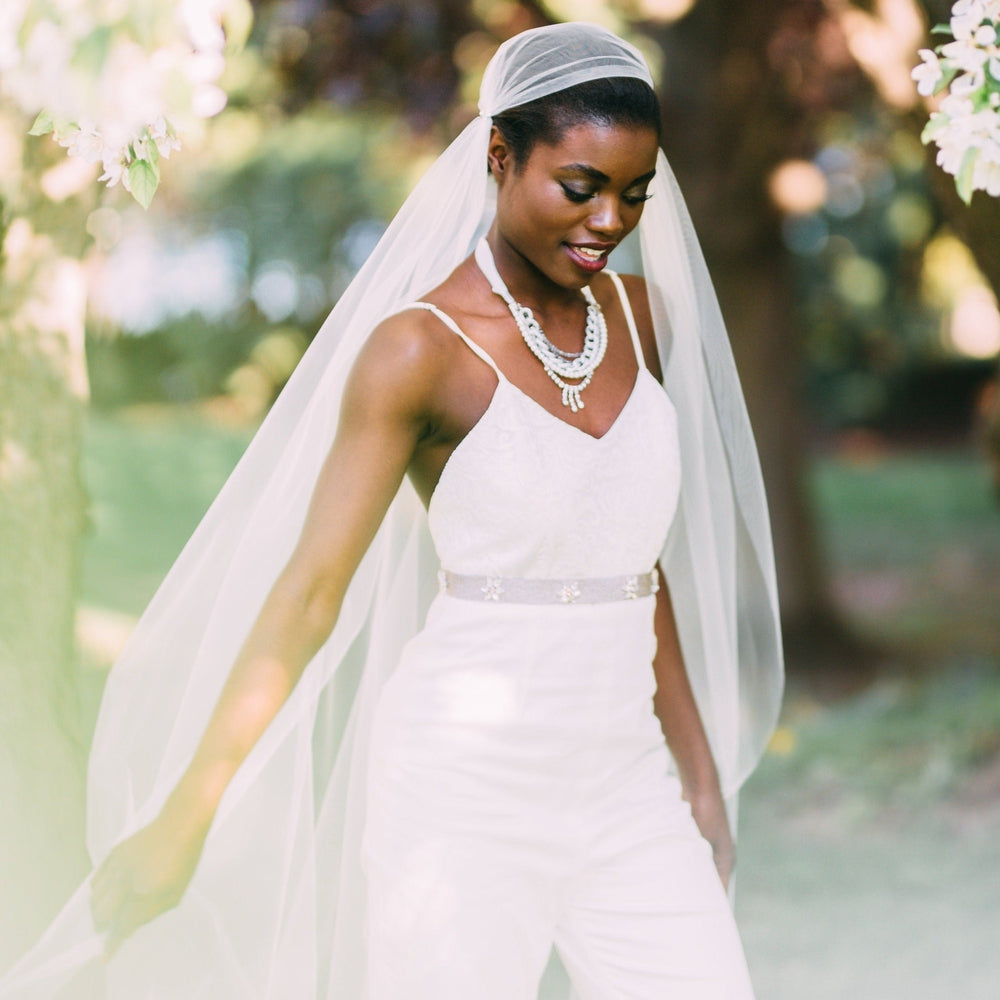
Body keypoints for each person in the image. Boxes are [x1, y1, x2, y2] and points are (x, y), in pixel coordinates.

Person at [0, 22, 783, 1000]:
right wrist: (185, 818)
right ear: (499, 156)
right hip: (463, 789)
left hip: (627, 787)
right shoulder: (420, 349)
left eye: (633, 194)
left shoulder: (638, 320)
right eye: (579, 188)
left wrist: (697, 780)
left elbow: (633, 560)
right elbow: (311, 591)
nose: (607, 220)